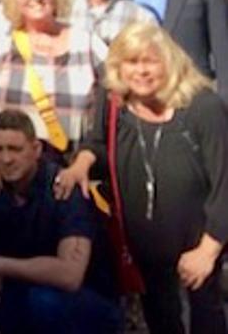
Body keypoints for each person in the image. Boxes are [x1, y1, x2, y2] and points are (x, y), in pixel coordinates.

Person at [57, 23, 228, 334]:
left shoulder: (204, 107)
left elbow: (225, 183)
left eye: (151, 61)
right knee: (162, 320)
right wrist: (80, 164)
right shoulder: (114, 104)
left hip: (199, 248)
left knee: (207, 320)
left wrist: (208, 251)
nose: (141, 71)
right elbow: (98, 144)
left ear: (170, 61)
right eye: (132, 62)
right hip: (144, 249)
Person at [0, 109, 121, 334]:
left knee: (42, 302)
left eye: (15, 149)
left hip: (87, 302)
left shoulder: (63, 188)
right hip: (21, 292)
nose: (6, 159)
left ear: (36, 149)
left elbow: (70, 275)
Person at [0, 0, 107, 192]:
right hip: (14, 176)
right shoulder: (3, 45)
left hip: (72, 173)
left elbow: (114, 95)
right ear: (15, 0)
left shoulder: (86, 42)